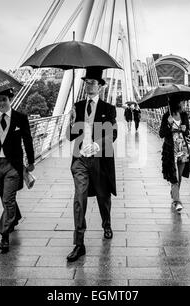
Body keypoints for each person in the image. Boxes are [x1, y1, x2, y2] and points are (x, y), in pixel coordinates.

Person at [65, 67, 118, 262]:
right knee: (79, 199)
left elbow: (113, 133)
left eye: (93, 82)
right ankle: (79, 244)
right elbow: (70, 136)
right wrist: (70, 123)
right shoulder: (77, 107)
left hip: (100, 160)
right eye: (86, 82)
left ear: (101, 86)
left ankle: (107, 223)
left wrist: (97, 145)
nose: (89, 85)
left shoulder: (108, 109)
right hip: (80, 160)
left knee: (103, 198)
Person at [0, 88, 35, 253]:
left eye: (4, 99)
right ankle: (15, 216)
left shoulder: (20, 118)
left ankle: (4, 236)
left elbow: (28, 140)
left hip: (13, 166)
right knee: (5, 199)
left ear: (10, 99)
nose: (1, 103)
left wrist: (31, 162)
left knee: (8, 199)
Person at [159, 100, 190, 213]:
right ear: (176, 104)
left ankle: (174, 195)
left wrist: (185, 129)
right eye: (182, 103)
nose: (183, 105)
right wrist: (168, 124)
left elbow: (187, 132)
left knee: (179, 176)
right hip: (170, 149)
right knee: (174, 175)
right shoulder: (166, 116)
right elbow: (161, 133)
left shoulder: (184, 115)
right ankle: (177, 201)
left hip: (183, 148)